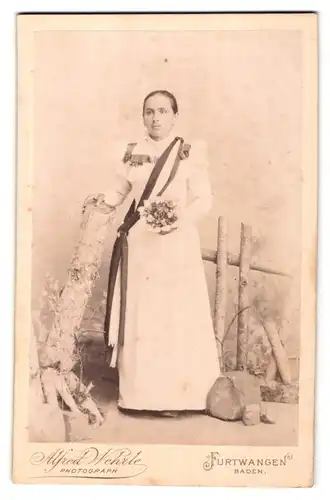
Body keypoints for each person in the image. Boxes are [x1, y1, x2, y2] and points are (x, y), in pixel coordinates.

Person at [102, 90, 221, 416]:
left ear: (174, 116)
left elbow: (203, 198)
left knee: (175, 313)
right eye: (150, 112)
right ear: (143, 116)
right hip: (141, 245)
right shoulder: (131, 153)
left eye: (163, 111)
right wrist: (100, 201)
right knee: (145, 314)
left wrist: (179, 220)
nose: (156, 118)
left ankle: (184, 397)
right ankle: (142, 396)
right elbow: (117, 190)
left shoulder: (189, 152)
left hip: (177, 242)